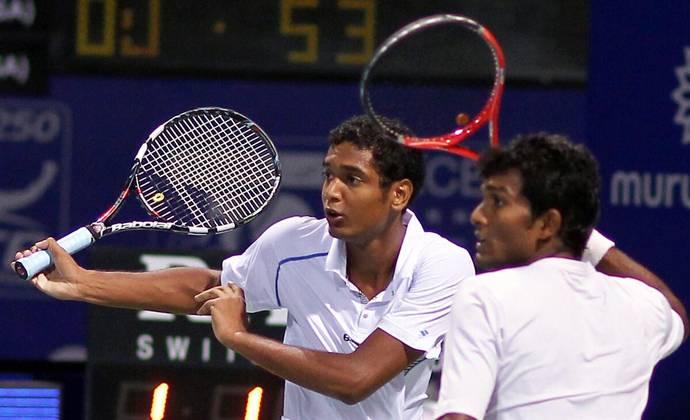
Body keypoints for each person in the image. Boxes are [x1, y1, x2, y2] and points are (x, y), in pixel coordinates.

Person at [14, 115, 475, 420]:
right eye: (328, 175)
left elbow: (356, 379)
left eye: (352, 179)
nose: (332, 192)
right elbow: (210, 287)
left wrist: (238, 338)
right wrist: (83, 282)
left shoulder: (441, 266)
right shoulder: (295, 243)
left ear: (398, 194)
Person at [434, 133, 688, 420]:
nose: (478, 216)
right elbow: (675, 312)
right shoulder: (641, 305)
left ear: (547, 223)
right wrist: (581, 232)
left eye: (498, 201)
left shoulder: (483, 296)